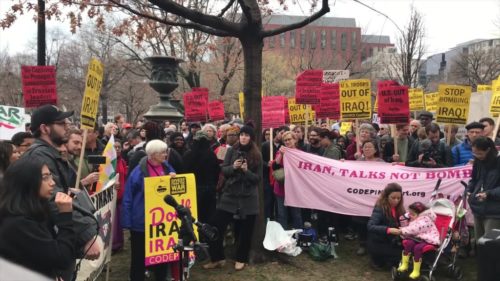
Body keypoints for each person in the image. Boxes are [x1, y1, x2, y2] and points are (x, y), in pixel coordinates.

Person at [22, 105, 99, 281]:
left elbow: (70, 191)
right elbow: (54, 200)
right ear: (44, 128)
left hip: (56, 238)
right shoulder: (39, 157)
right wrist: (86, 236)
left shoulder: (51, 154)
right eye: (61, 123)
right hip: (48, 241)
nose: (66, 126)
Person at [0, 157, 75, 279]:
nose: (53, 182)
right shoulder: (18, 223)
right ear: (27, 181)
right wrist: (66, 215)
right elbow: (62, 258)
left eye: (50, 176)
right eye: (45, 178)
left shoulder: (35, 210)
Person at [204, 125, 262, 271]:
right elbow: (223, 169)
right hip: (230, 196)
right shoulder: (231, 150)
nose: (243, 137)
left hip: (248, 198)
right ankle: (217, 258)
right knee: (214, 225)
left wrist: (246, 171)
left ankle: (241, 258)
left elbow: (257, 179)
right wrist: (233, 168)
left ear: (251, 138)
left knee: (245, 231)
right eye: (242, 134)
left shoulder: (257, 154)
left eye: (247, 135)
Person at [122, 140, 176, 281]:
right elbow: (128, 196)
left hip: (162, 221)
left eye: (165, 151)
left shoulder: (166, 166)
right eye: (162, 152)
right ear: (152, 154)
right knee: (139, 257)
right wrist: (127, 221)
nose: (165, 154)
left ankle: (161, 277)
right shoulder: (138, 171)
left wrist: (172, 176)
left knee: (161, 255)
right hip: (141, 221)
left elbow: (174, 185)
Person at [183, 131, 220, 227]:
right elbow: (216, 173)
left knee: (194, 217)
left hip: (192, 191)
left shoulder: (188, 155)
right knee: (208, 218)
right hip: (209, 191)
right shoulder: (211, 155)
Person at [467, 136, 500, 241]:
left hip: (494, 211)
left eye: (480, 153)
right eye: (474, 153)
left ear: (488, 150)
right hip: (478, 208)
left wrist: (488, 193)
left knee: (489, 244)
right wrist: (469, 191)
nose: (477, 156)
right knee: (478, 242)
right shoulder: (478, 161)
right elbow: (474, 179)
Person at [397, 202, 440, 279]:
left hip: (429, 239)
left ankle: (416, 271)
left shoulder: (425, 220)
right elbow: (406, 224)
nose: (410, 215)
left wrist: (403, 230)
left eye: (412, 214)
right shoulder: (415, 217)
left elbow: (415, 229)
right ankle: (404, 264)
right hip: (418, 238)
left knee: (418, 248)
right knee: (409, 243)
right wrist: (404, 217)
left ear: (420, 214)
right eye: (409, 213)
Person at [367, 183, 405, 269]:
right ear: (386, 196)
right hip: (379, 242)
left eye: (398, 198)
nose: (396, 200)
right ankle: (377, 259)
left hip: (392, 241)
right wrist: (388, 230)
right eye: (393, 198)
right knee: (402, 256)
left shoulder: (400, 209)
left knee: (407, 254)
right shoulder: (379, 208)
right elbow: (370, 226)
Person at [272, 131, 302, 230]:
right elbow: (275, 166)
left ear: (295, 140)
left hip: (294, 188)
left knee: (296, 214)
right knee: (281, 214)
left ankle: (298, 235)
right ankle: (283, 237)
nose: (287, 142)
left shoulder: (300, 153)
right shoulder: (281, 151)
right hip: (281, 188)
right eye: (285, 140)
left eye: (289, 139)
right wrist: (280, 154)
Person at [112, 140, 128, 252]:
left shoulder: (122, 161)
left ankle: (119, 244)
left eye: (119, 147)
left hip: (121, 196)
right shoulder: (107, 163)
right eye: (115, 147)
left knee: (119, 222)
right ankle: (112, 245)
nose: (117, 149)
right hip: (112, 196)